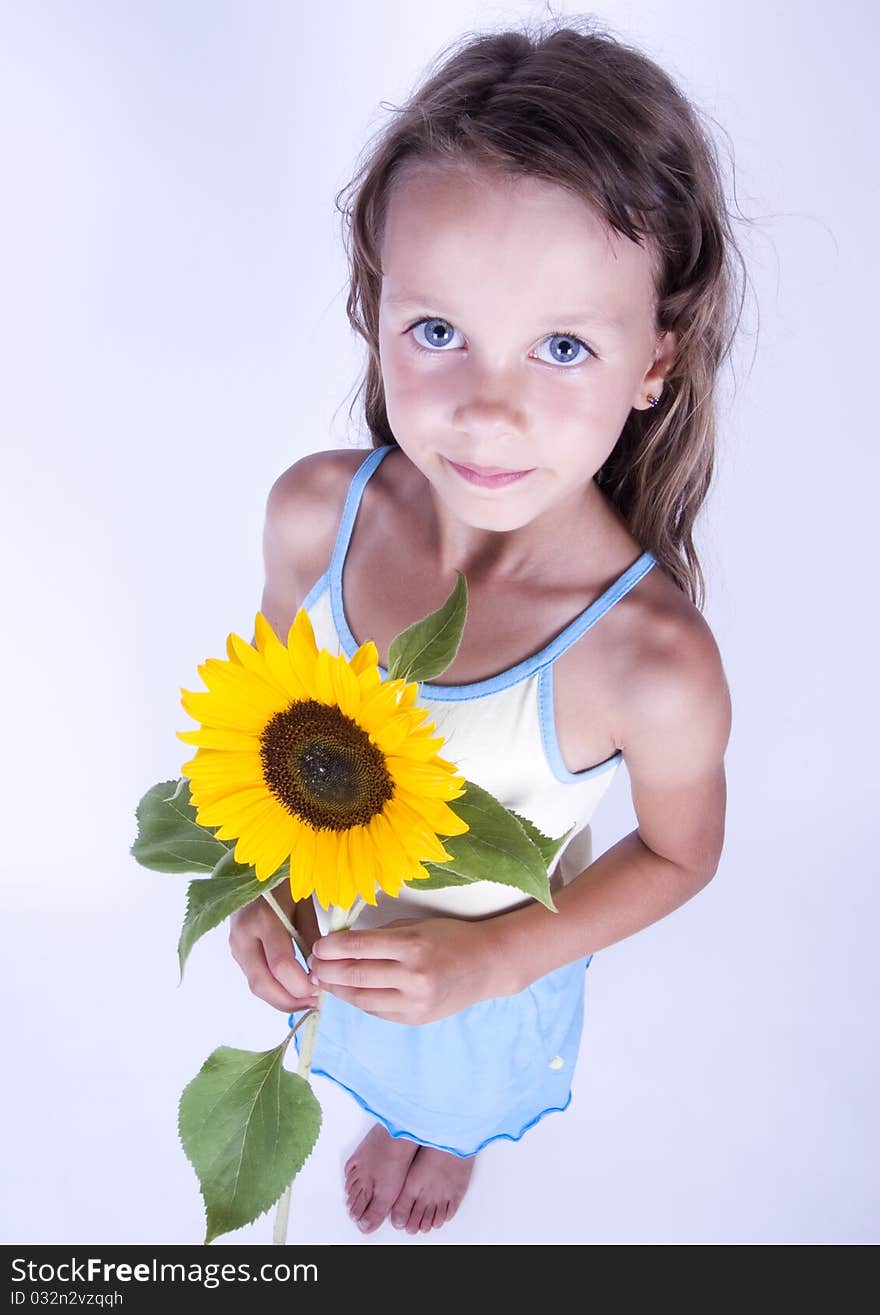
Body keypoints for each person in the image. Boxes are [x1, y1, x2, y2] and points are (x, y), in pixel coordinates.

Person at [228, 16, 739, 1237]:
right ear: (375, 306)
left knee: (453, 1083)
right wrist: (263, 882)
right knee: (369, 1041)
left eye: (562, 347)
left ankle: (445, 1135)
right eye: (438, 331)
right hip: (346, 934)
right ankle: (389, 1105)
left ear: (653, 360)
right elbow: (266, 712)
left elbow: (680, 854)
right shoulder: (316, 515)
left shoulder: (647, 665)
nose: (487, 412)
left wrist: (494, 962)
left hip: (497, 973)